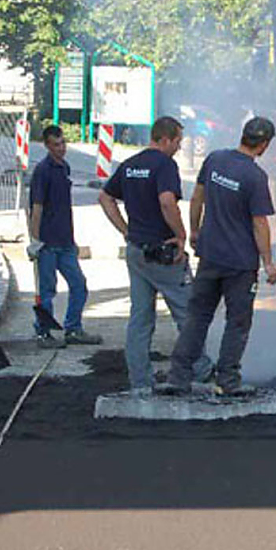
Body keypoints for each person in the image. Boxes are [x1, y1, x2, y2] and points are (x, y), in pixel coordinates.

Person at [168, 116, 276, 395]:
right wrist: (268, 262)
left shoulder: (215, 160)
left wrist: (194, 232)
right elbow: (259, 223)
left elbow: (197, 198)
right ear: (264, 145)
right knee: (238, 322)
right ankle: (227, 381)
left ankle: (178, 378)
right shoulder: (255, 177)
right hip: (240, 264)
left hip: (210, 256)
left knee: (198, 317)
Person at [98, 116, 192, 392]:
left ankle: (140, 381)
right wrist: (181, 236)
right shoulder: (165, 165)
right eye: (177, 142)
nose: (178, 147)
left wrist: (126, 232)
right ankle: (199, 370)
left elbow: (105, 197)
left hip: (137, 249)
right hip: (163, 252)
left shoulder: (130, 165)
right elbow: (167, 202)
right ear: (165, 139)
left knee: (140, 318)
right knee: (188, 314)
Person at [27, 125, 102, 349]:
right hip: (48, 243)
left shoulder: (64, 168)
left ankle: (73, 328)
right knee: (47, 291)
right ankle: (44, 333)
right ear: (47, 146)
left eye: (63, 143)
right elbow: (37, 207)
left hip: (66, 241)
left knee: (79, 285)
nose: (61, 148)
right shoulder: (43, 171)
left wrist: (72, 239)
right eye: (56, 145)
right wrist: (35, 239)